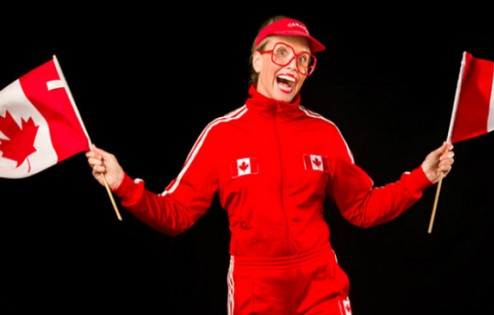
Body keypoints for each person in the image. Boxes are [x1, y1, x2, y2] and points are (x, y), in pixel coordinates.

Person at [86, 15, 454, 315]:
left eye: (303, 60)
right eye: (282, 53)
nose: (293, 66)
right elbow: (176, 214)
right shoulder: (221, 135)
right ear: (257, 59)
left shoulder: (324, 133)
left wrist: (423, 175)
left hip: (320, 283)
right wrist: (123, 185)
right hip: (255, 290)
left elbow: (362, 208)